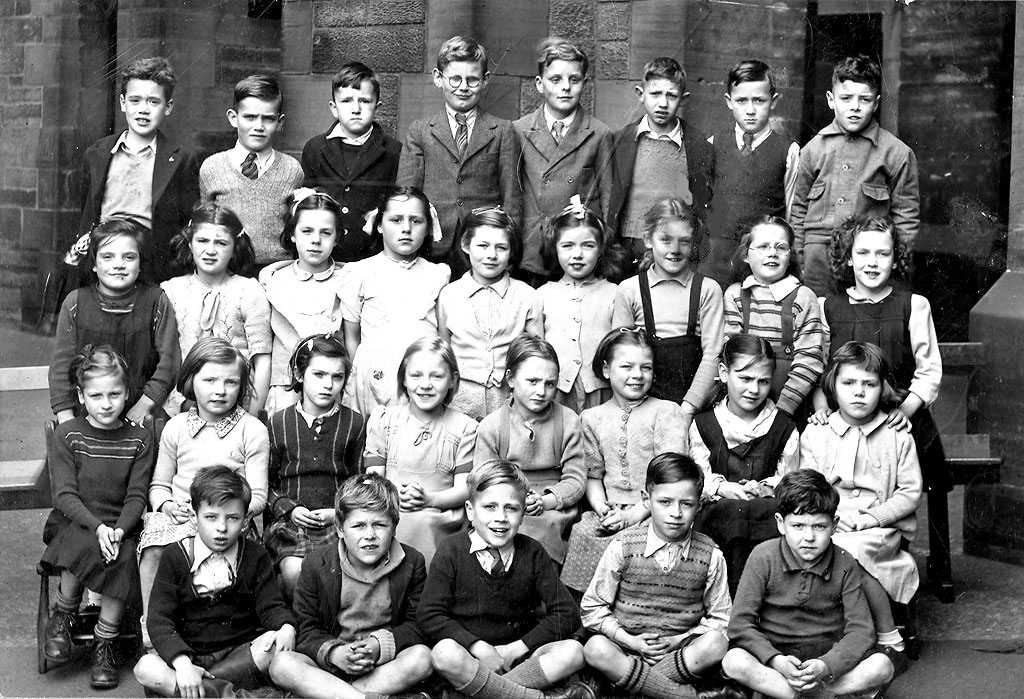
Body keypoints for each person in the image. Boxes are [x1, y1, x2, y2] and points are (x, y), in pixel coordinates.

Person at [818, 212, 948, 598]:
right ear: (849, 259)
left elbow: (929, 373)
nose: (873, 262)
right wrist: (823, 406)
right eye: (864, 253)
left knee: (922, 481)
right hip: (848, 415)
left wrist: (901, 414)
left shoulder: (913, 305)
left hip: (901, 419)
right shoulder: (831, 308)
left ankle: (917, 564)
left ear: (896, 259)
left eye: (883, 254)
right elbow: (823, 367)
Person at [418, 461, 592, 699]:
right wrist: (478, 647)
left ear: (523, 514)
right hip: (471, 658)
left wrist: (514, 649)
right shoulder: (451, 550)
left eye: (511, 508)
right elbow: (429, 614)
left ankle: (484, 693)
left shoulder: (532, 552)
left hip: (518, 658)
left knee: (573, 652)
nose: (500, 517)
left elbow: (566, 613)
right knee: (443, 653)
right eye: (489, 507)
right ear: (470, 510)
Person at [137, 337, 270, 646]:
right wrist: (167, 505)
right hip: (180, 516)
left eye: (231, 382)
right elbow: (158, 485)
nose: (220, 390)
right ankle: (153, 634)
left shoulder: (252, 430)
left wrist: (232, 513)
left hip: (228, 519)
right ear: (190, 380)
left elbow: (260, 495)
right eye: (209, 380)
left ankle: (218, 635)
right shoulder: (176, 427)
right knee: (155, 547)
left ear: (242, 385)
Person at [722, 470, 893, 699]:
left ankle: (812, 693)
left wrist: (826, 665)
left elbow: (861, 630)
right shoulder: (762, 557)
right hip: (777, 658)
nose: (809, 537)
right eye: (799, 526)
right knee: (733, 661)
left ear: (834, 525)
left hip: (826, 658)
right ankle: (808, 695)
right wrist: (775, 659)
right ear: (781, 524)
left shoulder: (845, 562)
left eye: (819, 527)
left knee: (882, 666)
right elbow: (740, 624)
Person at [802, 341, 922, 667]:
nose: (859, 393)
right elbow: (809, 488)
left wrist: (873, 518)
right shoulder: (817, 433)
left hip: (880, 530)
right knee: (816, 547)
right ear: (832, 386)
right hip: (831, 520)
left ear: (882, 388)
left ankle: (888, 635)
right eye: (848, 384)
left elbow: (910, 491)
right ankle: (829, 635)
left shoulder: (898, 435)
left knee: (849, 554)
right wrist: (830, 516)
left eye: (869, 385)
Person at [40, 346, 154, 689]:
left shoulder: (139, 439)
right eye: (96, 395)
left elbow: (137, 495)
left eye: (115, 394)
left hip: (121, 523)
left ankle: (105, 642)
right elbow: (64, 495)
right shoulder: (69, 435)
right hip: (77, 519)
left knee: (123, 553)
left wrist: (118, 531)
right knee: (82, 538)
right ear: (81, 395)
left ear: (127, 393)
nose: (106, 403)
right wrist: (99, 527)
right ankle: (64, 614)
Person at [133, 466, 296, 698]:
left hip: (238, 656)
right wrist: (182, 664)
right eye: (211, 517)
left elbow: (271, 606)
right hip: (189, 656)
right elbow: (159, 620)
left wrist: (286, 627)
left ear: (246, 519)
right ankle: (231, 694)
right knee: (146, 668)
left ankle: (201, 693)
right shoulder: (175, 555)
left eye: (232, 518)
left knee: (273, 647)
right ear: (194, 515)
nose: (222, 528)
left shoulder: (255, 555)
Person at [268, 474, 434, 699]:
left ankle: (337, 695)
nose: (370, 535)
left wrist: (378, 646)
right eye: (358, 525)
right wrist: (335, 653)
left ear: (394, 527)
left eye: (380, 525)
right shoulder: (317, 564)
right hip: (331, 666)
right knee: (281, 664)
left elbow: (417, 626)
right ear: (340, 528)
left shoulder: (412, 562)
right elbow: (307, 630)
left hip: (382, 666)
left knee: (422, 658)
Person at [581, 453, 731, 699]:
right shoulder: (624, 546)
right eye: (665, 502)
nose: (676, 513)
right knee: (595, 648)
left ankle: (638, 689)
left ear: (699, 506)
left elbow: (722, 619)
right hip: (627, 649)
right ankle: (678, 695)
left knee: (716, 643)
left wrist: (679, 640)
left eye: (686, 504)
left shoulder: (711, 554)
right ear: (646, 500)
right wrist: (631, 641)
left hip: (680, 652)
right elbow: (592, 608)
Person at [560, 329, 688, 596]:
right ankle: (586, 618)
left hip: (656, 509)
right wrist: (602, 508)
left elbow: (671, 477)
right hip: (611, 508)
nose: (638, 375)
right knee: (584, 534)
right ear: (607, 370)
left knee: (641, 541)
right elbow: (593, 474)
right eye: (627, 366)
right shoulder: (592, 418)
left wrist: (635, 514)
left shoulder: (666, 412)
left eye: (646, 367)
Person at [790, 55, 920, 297]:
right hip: (818, 258)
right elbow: (798, 210)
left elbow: (906, 219)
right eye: (846, 98)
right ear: (831, 100)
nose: (855, 107)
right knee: (820, 319)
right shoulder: (813, 150)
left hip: (869, 257)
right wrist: (800, 259)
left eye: (865, 99)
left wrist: (894, 265)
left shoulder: (896, 153)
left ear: (877, 102)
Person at [689, 334, 799, 594]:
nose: (754, 389)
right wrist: (723, 488)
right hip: (717, 513)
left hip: (765, 512)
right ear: (724, 373)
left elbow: (789, 476)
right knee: (731, 513)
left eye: (763, 381)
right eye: (745, 379)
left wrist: (762, 487)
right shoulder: (705, 424)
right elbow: (697, 475)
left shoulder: (783, 426)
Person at [396, 35, 523, 261]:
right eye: (455, 79)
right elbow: (406, 195)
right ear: (438, 78)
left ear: (485, 80)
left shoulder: (502, 130)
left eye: (472, 80)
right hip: (431, 242)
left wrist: (508, 247)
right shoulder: (420, 131)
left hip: (483, 245)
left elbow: (511, 198)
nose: (463, 87)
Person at [77, 56, 199, 282]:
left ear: (168, 107)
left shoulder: (182, 159)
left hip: (154, 269)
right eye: (135, 100)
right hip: (104, 263)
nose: (143, 110)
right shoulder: (97, 154)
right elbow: (85, 207)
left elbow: (186, 224)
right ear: (123, 103)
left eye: (153, 102)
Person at [264, 335, 366, 601]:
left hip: (337, 522)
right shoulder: (279, 423)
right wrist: (289, 509)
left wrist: (339, 512)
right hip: (291, 524)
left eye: (337, 377)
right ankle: (299, 627)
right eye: (319, 374)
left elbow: (359, 481)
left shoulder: (353, 424)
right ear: (299, 373)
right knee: (293, 570)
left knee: (338, 572)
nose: (328, 385)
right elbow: (267, 484)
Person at [49, 218, 180, 425]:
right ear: (93, 264)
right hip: (87, 413)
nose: (119, 265)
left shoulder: (156, 301)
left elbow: (169, 362)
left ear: (140, 262)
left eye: (129, 257)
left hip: (140, 412)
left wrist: (145, 405)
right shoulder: (75, 303)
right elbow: (61, 366)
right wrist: (65, 416)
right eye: (107, 257)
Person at [364, 337, 478, 565]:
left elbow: (465, 489)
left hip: (440, 512)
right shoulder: (385, 420)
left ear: (453, 380)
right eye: (416, 375)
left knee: (423, 522)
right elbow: (374, 478)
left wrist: (429, 499)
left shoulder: (465, 428)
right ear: (403, 379)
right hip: (389, 506)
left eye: (437, 376)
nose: (425, 384)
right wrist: (395, 496)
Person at [474, 335, 586, 565]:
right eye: (532, 381)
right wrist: (514, 500)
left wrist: (546, 501)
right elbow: (483, 481)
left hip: (552, 508)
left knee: (546, 534)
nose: (541, 391)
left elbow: (576, 478)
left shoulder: (568, 421)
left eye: (550, 384)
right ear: (511, 379)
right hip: (505, 503)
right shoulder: (492, 426)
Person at [340, 186, 451, 415]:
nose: (406, 229)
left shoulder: (438, 275)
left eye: (416, 221)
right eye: (396, 220)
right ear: (379, 225)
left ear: (428, 227)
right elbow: (351, 337)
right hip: (372, 380)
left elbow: (443, 335)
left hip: (423, 377)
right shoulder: (360, 273)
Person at [513, 38, 613, 284]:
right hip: (531, 250)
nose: (565, 87)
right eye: (555, 79)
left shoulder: (599, 134)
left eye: (574, 79)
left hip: (577, 252)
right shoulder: (519, 130)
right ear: (539, 84)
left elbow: (609, 202)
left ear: (584, 84)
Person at [612, 198, 724, 419]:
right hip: (641, 407)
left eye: (684, 241)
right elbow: (620, 356)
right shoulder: (630, 290)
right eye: (665, 240)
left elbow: (713, 354)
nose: (675, 249)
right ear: (647, 239)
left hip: (693, 406)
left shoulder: (707, 289)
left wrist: (688, 409)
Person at [161, 202, 271, 416]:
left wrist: (253, 416)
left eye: (221, 243)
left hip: (238, 406)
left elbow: (262, 359)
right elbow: (164, 359)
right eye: (202, 241)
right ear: (190, 244)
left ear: (234, 249)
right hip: (181, 407)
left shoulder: (248, 290)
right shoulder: (170, 291)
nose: (210, 250)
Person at [438, 207, 544, 421]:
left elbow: (536, 352)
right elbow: (444, 349)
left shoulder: (527, 296)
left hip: (510, 399)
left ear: (512, 251)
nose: (491, 255)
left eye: (501, 247)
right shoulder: (449, 295)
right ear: (466, 245)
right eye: (483, 246)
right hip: (460, 400)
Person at [606, 57, 713, 265]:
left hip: (675, 247)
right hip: (629, 244)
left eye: (672, 96)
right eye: (655, 94)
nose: (663, 103)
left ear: (683, 99)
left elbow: (702, 204)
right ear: (640, 94)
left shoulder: (698, 145)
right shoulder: (621, 140)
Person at [702, 60, 799, 288]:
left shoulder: (789, 150)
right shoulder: (713, 144)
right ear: (729, 101)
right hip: (718, 258)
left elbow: (792, 211)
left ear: (773, 102)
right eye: (742, 101)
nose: (750, 110)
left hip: (764, 261)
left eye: (759, 100)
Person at [722, 216, 823, 419]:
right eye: (763, 246)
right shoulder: (735, 294)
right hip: (743, 401)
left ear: (790, 255)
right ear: (745, 256)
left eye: (781, 247)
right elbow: (729, 352)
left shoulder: (803, 296)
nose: (772, 254)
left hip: (790, 403)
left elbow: (810, 360)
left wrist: (782, 411)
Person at [199, 74, 304, 268]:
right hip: (226, 272)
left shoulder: (292, 170)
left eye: (268, 119)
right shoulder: (212, 168)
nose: (258, 127)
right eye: (249, 117)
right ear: (233, 118)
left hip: (276, 273)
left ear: (280, 123)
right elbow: (205, 225)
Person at [301, 61, 402, 263]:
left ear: (377, 107)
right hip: (325, 256)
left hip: (371, 256)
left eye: (364, 101)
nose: (356, 109)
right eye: (346, 101)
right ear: (333, 108)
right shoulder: (315, 148)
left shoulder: (393, 151)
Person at [259, 190, 346, 415]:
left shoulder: (349, 280)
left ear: (336, 238)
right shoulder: (275, 281)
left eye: (326, 233)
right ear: (293, 234)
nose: (316, 240)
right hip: (285, 387)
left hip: (332, 387)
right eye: (306, 231)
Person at [538, 201, 624, 413]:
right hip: (556, 391)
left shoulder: (614, 293)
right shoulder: (542, 295)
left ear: (601, 249)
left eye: (588, 245)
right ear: (554, 248)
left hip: (601, 390)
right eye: (567, 246)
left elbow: (622, 348)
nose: (577, 254)